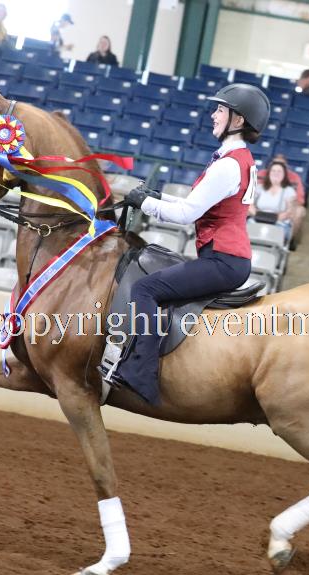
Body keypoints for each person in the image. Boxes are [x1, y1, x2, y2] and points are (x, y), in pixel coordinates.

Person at [115, 83, 271, 405]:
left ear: (238, 120)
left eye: (220, 110)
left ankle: (141, 374)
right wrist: (157, 196)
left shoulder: (228, 165)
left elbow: (187, 214)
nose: (213, 115)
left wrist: (144, 203)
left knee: (145, 289)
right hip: (226, 257)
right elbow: (195, 202)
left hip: (223, 261)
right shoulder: (237, 159)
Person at [255, 154, 306, 248]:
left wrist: (286, 211)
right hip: (260, 211)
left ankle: (290, 241)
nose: (276, 171)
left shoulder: (294, 179)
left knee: (299, 211)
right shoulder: (261, 176)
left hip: (282, 211)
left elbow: (299, 199)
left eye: (280, 168)